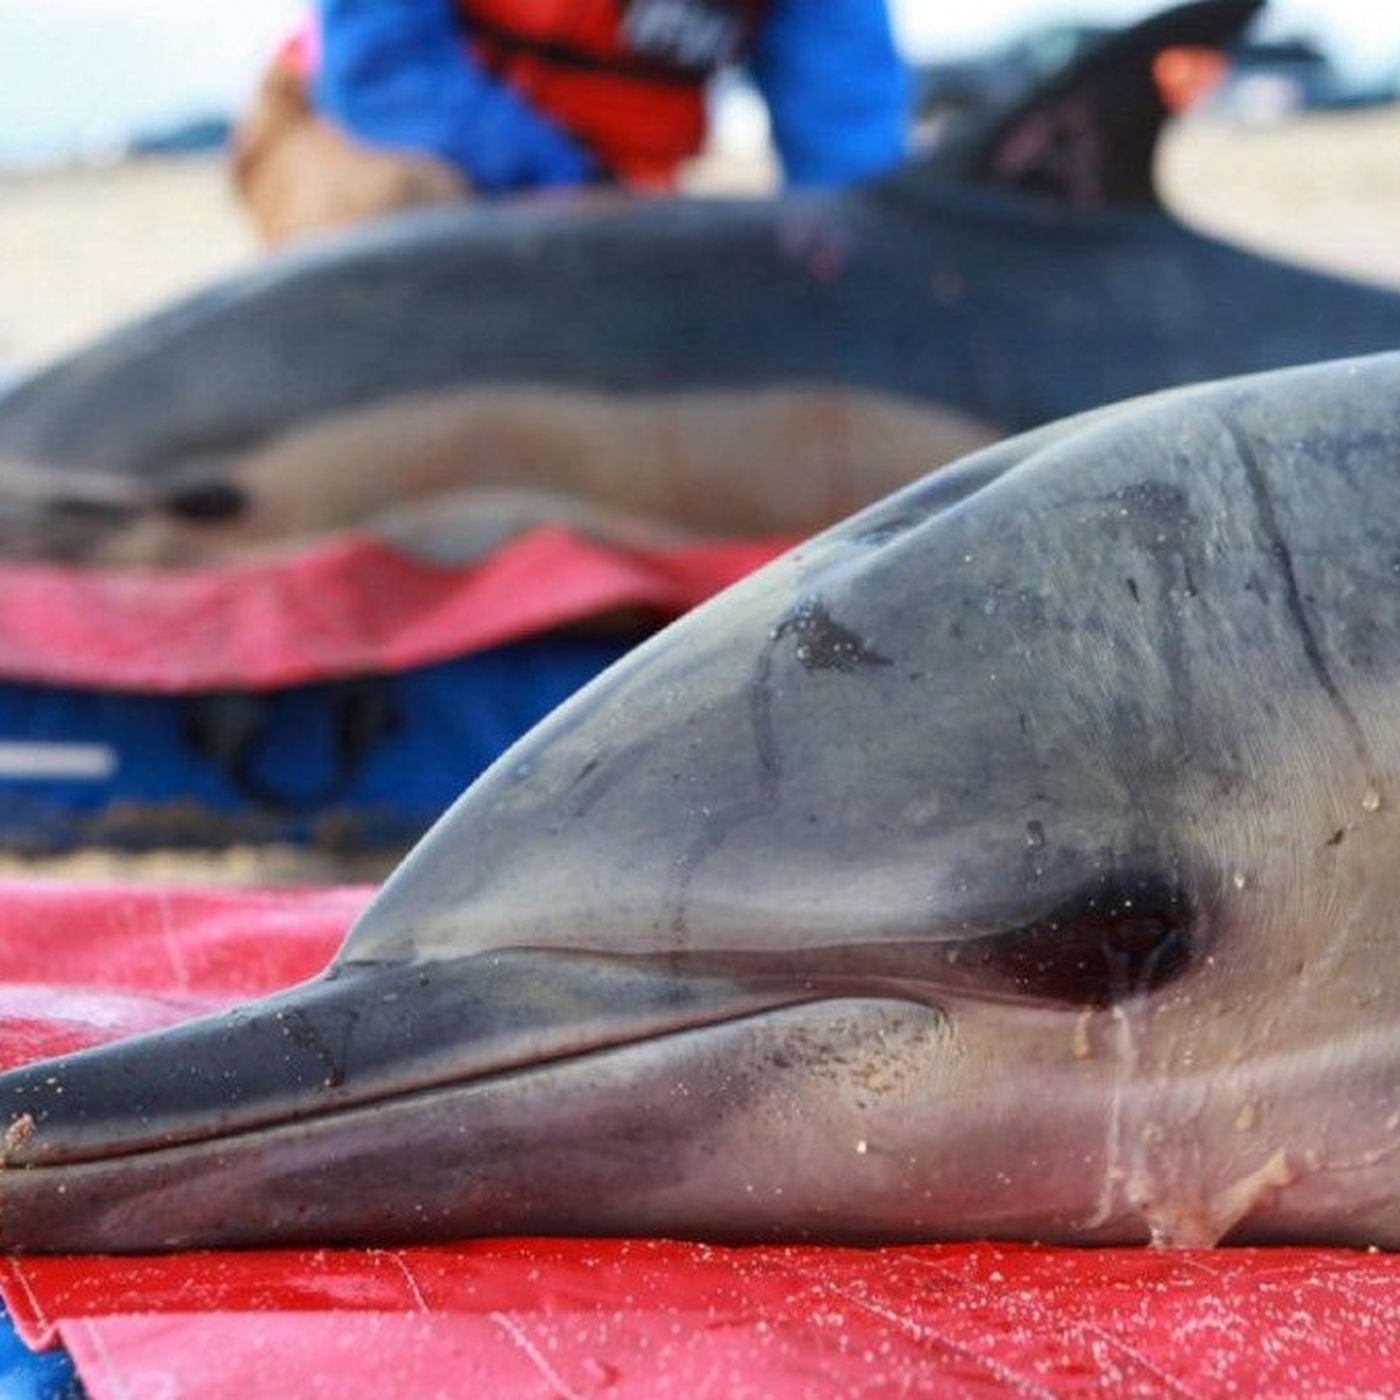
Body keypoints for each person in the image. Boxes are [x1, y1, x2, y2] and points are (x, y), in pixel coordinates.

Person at [235, 0, 910, 245]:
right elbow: (379, 76)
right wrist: (571, 178)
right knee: (401, 221)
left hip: (615, 202)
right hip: (359, 137)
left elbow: (849, 160)